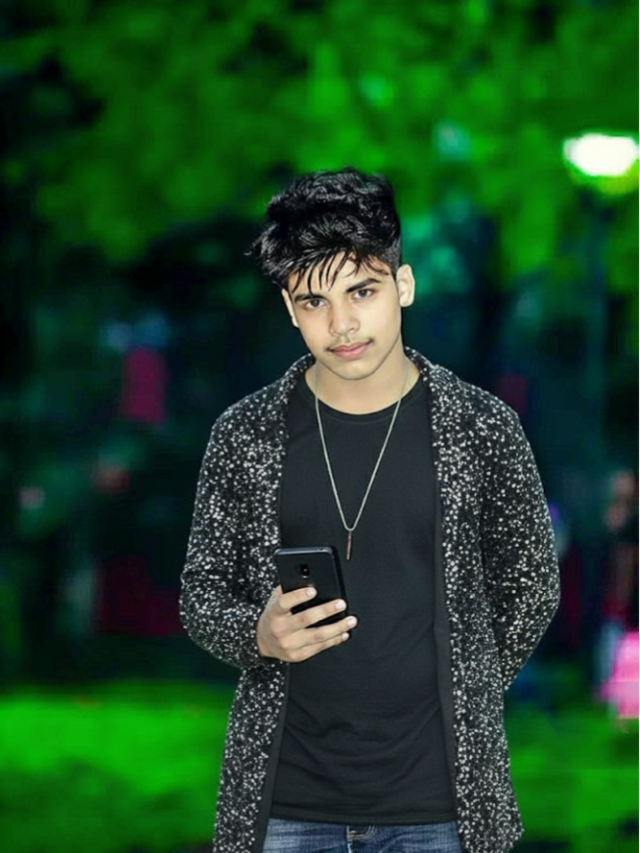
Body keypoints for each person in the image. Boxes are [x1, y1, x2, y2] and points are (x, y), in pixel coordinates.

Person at [180, 168, 560, 853]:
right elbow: (201, 593)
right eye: (314, 301)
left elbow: (532, 583)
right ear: (290, 309)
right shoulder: (246, 433)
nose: (342, 324)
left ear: (402, 285)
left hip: (441, 802)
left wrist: (465, 685)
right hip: (288, 799)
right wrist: (259, 634)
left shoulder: (482, 427)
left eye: (362, 291)